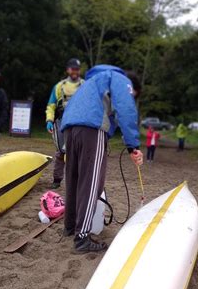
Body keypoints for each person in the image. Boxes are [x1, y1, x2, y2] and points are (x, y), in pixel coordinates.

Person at [61, 65, 143, 253]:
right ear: (134, 88)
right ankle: (82, 238)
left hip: (70, 128)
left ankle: (70, 226)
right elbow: (126, 109)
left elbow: (106, 114)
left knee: (73, 179)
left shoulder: (92, 81)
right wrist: (133, 146)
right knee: (91, 183)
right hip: (92, 128)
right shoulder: (121, 80)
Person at [46, 58, 84, 189]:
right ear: (68, 70)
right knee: (60, 153)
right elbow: (51, 105)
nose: (75, 71)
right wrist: (49, 120)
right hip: (62, 122)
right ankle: (57, 179)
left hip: (80, 123)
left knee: (79, 153)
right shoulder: (59, 86)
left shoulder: (85, 85)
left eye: (77, 69)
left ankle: (78, 180)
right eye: (72, 69)